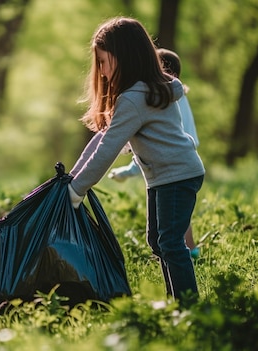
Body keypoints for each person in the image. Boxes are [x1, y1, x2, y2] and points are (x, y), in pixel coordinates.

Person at [67, 17, 205, 304]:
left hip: (177, 176)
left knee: (169, 243)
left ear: (124, 57)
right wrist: (73, 179)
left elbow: (107, 149)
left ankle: (189, 307)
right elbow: (104, 139)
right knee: (158, 241)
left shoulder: (135, 98)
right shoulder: (141, 93)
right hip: (166, 176)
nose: (102, 72)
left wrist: (78, 190)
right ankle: (177, 301)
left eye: (104, 62)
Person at [107, 48, 201, 259]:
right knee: (168, 227)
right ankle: (186, 252)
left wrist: (126, 171)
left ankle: (186, 256)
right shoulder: (173, 96)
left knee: (170, 231)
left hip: (174, 166)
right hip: (173, 165)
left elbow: (163, 141)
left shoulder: (166, 99)